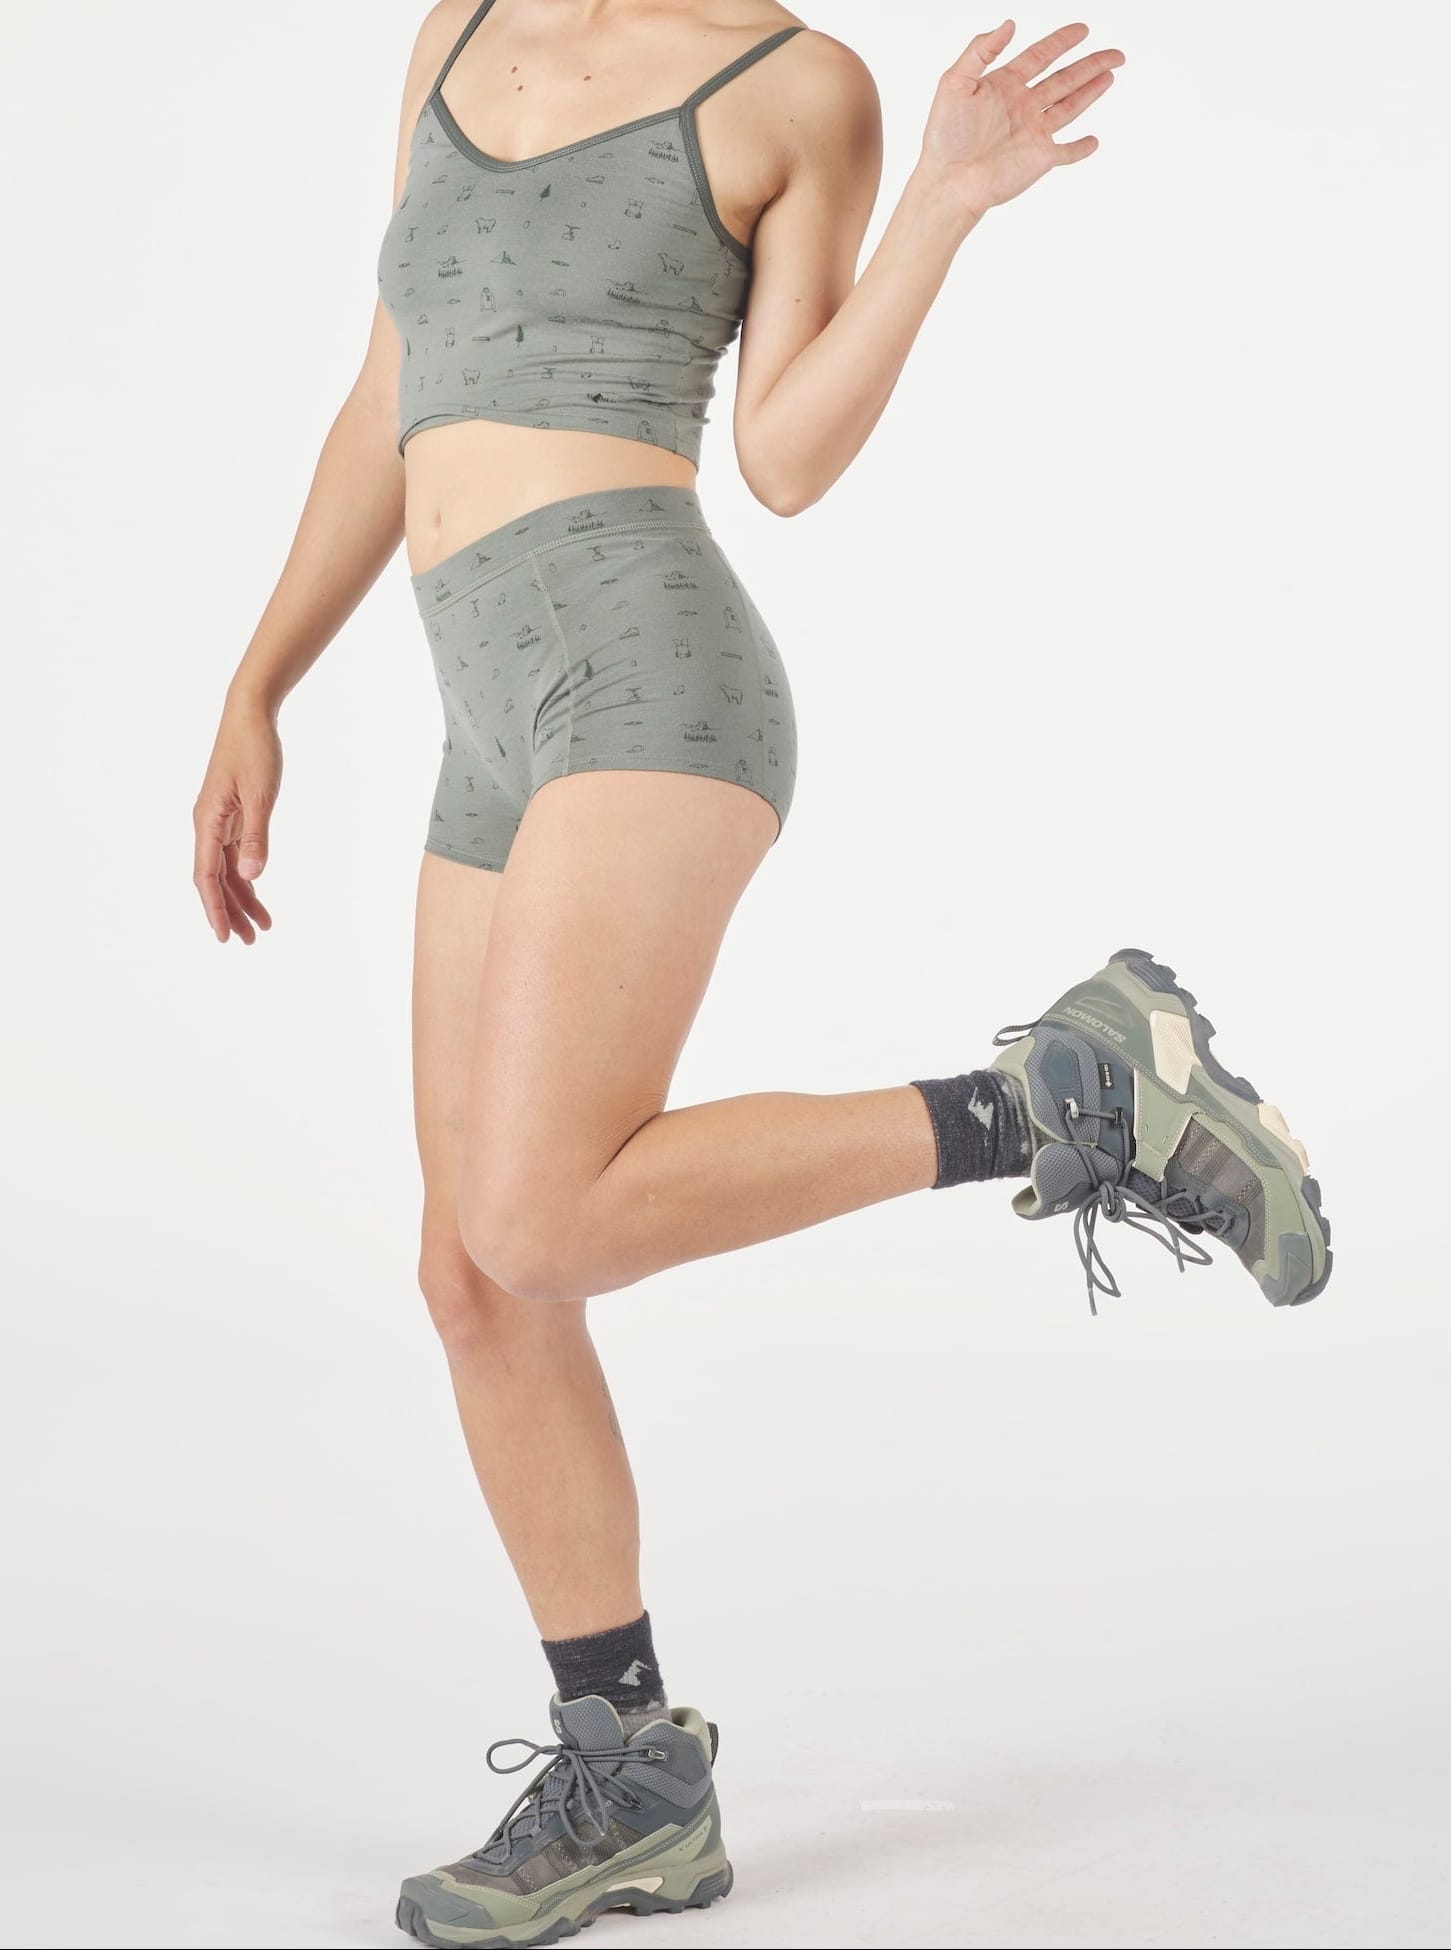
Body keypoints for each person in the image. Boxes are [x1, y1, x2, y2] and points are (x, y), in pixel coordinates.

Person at [191, 3, 1329, 1941]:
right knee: (473, 1277)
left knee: (541, 1218)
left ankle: (1070, 1096)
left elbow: (785, 456)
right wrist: (258, 677)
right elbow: (392, 375)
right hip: (483, 699)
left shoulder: (791, 87)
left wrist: (946, 207)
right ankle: (630, 1781)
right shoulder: (456, 30)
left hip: (646, 665)